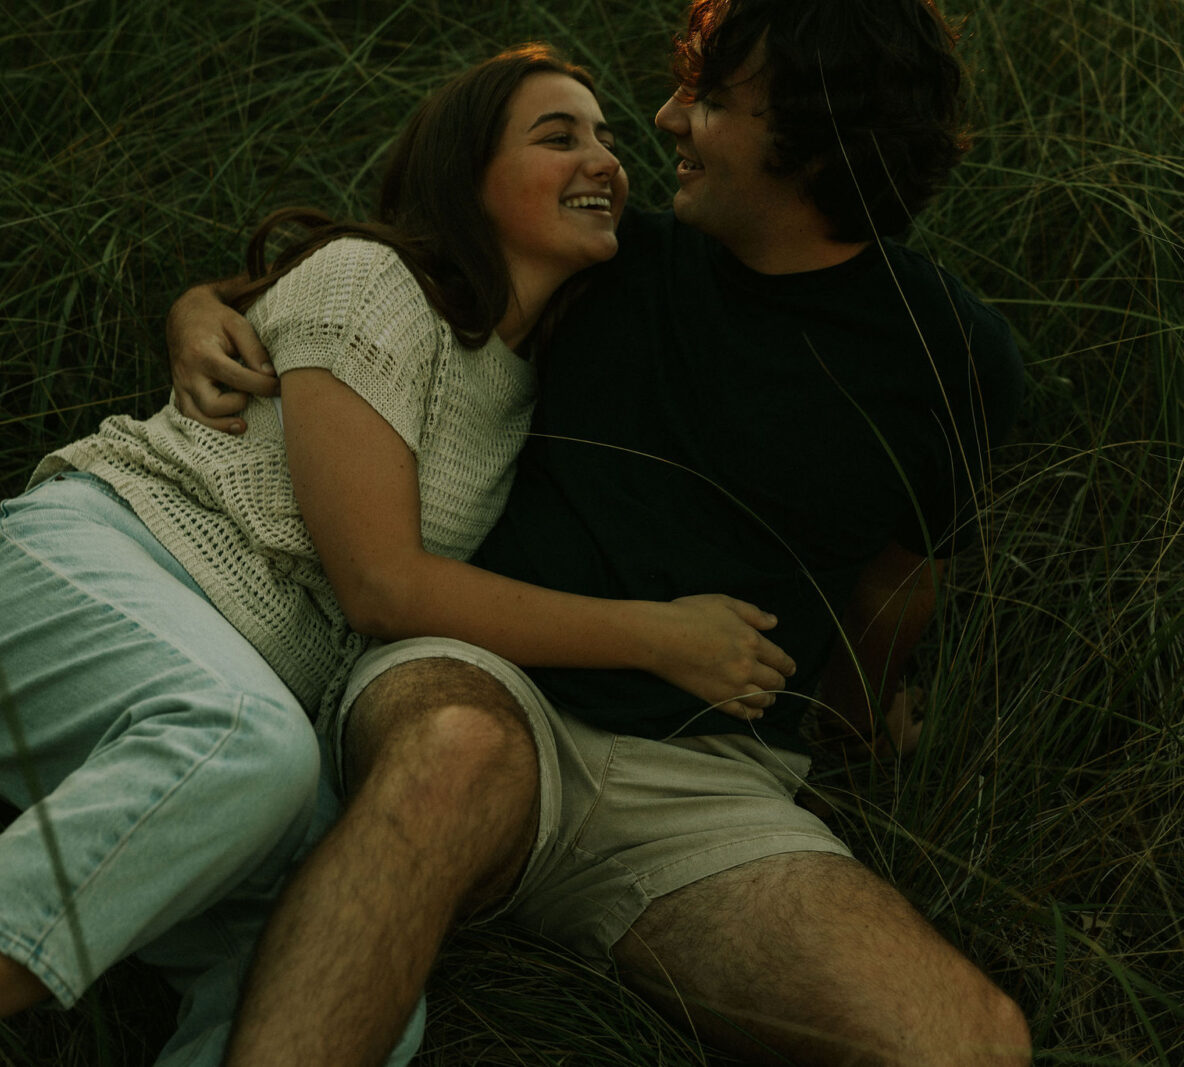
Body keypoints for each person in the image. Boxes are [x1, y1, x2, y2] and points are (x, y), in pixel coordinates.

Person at [0, 44, 802, 1067]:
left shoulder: (534, 384)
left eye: (607, 138)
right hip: (81, 579)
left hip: (220, 720)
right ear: (465, 174)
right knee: (246, 747)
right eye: (557, 134)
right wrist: (656, 637)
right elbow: (381, 584)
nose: (605, 159)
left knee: (348, 984)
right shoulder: (374, 284)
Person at [167, 1, 1032, 1064]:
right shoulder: (612, 261)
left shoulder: (953, 358)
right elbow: (372, 274)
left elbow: (896, 595)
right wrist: (203, 305)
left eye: (712, 101)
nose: (667, 117)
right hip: (483, 685)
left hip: (709, 783)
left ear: (822, 133)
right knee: (453, 754)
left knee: (968, 1040)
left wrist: (857, 722)